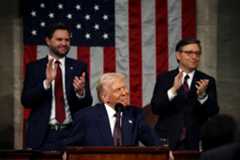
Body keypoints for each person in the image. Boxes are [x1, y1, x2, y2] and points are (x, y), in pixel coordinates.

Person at [21, 23, 93, 150]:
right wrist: (46, 83)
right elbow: (26, 101)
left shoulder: (78, 67)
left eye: (67, 40)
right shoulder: (34, 67)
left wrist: (80, 92)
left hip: (72, 133)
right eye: (59, 39)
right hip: (43, 135)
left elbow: (87, 103)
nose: (64, 43)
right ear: (48, 41)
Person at [151, 38, 219, 150]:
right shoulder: (165, 78)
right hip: (167, 139)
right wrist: (173, 90)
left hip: (196, 142)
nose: (194, 57)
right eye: (189, 53)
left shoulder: (207, 80)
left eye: (197, 53)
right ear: (178, 55)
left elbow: (213, 112)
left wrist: (202, 96)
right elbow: (156, 108)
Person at [65, 72, 160, 146]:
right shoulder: (87, 117)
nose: (125, 92)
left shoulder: (135, 114)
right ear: (105, 97)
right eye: (118, 89)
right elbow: (69, 147)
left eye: (125, 88)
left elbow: (155, 144)